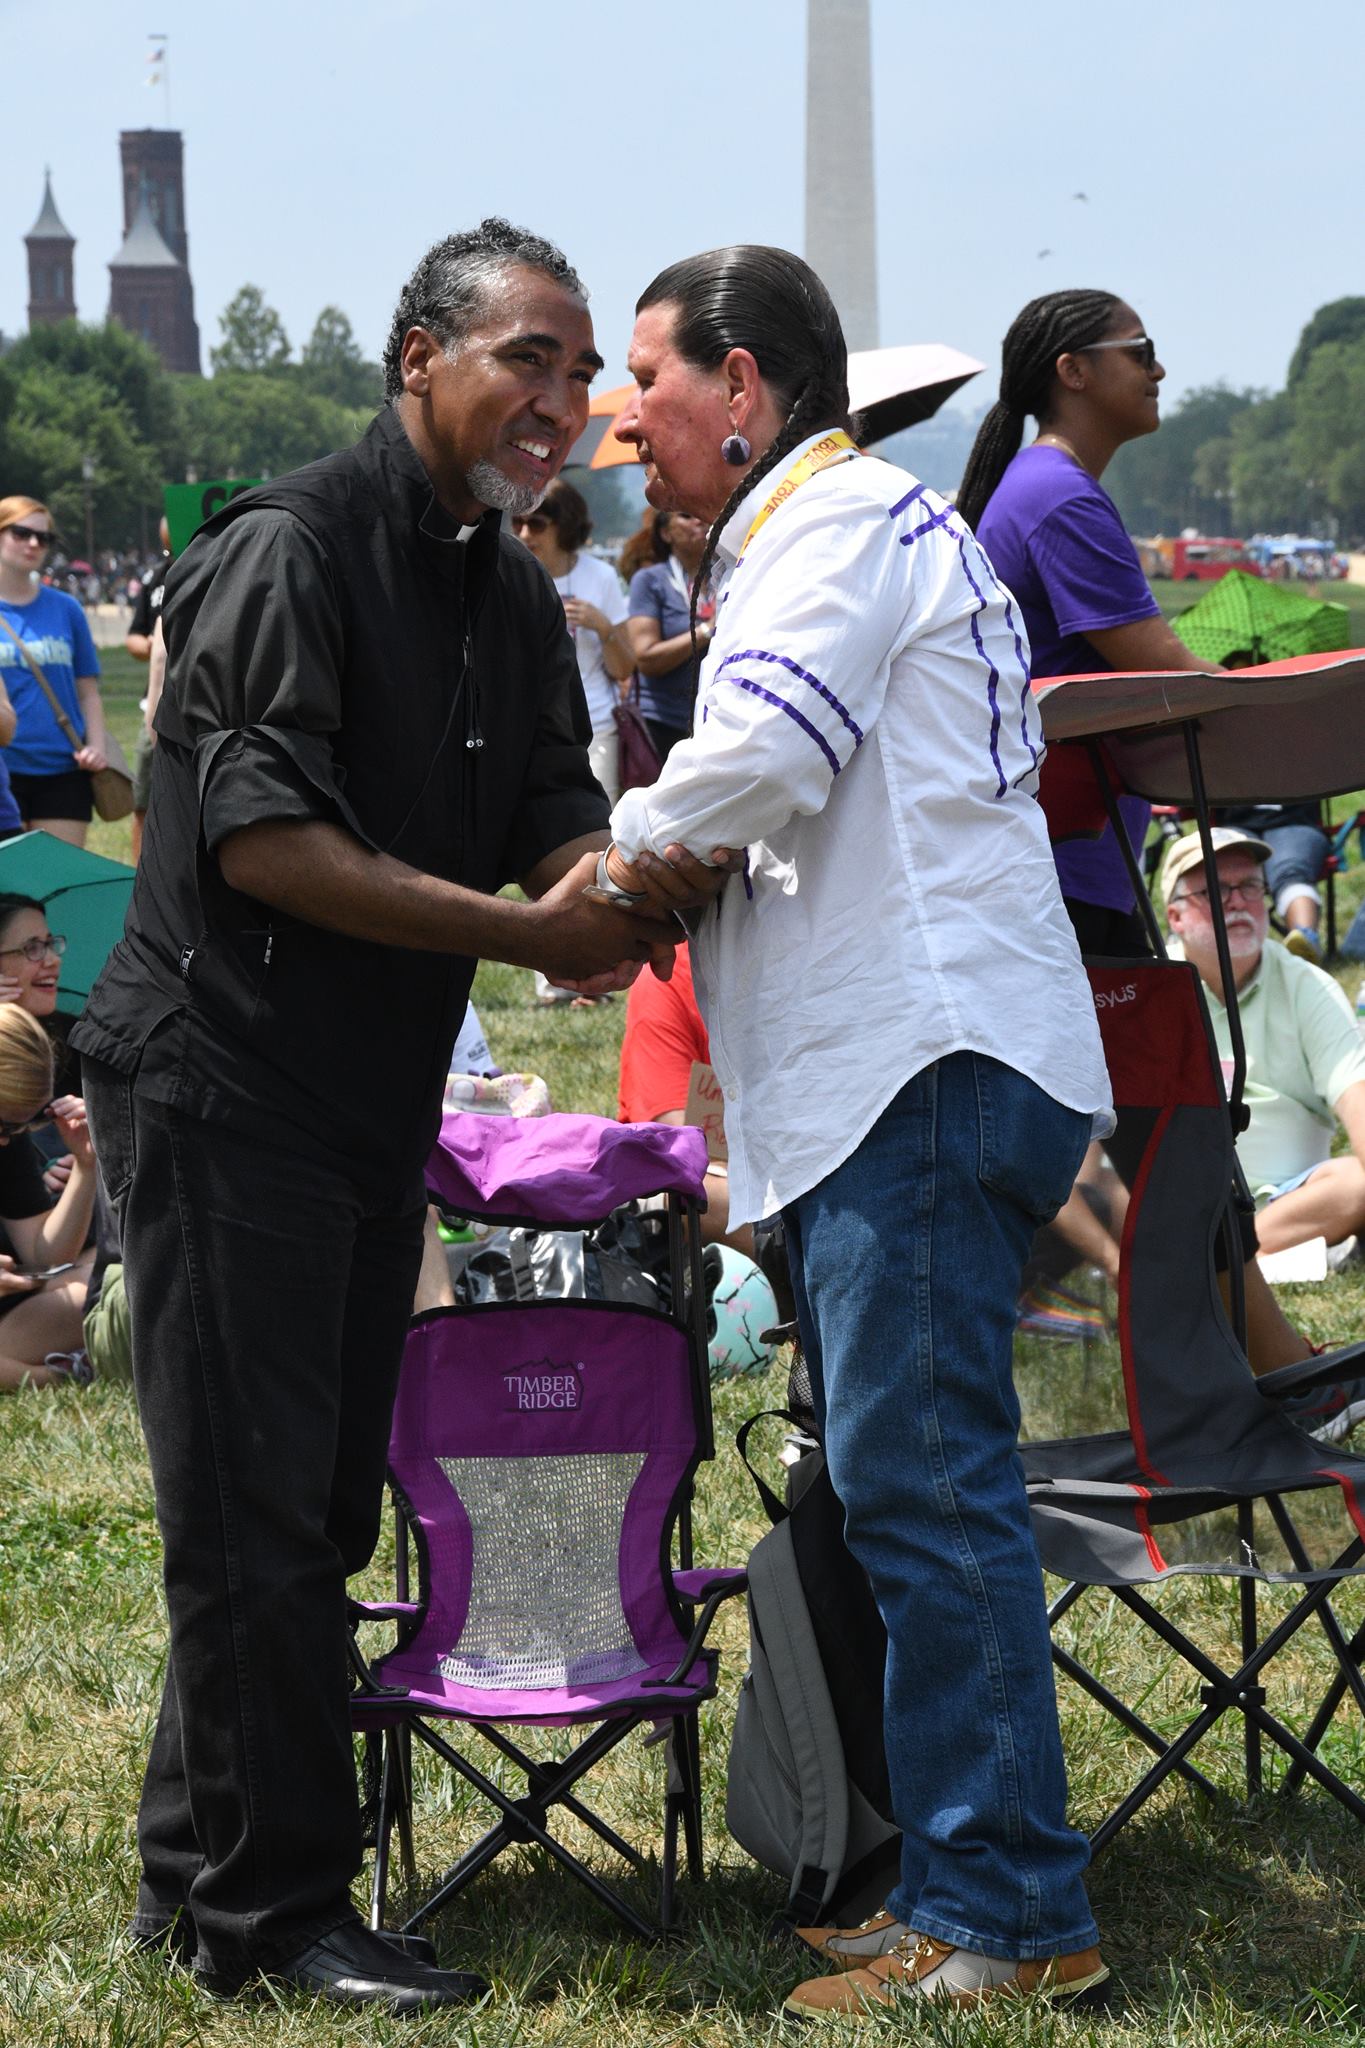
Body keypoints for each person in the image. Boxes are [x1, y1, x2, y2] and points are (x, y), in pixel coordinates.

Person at [70, 218, 721, 2018]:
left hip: (363, 1101)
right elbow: (261, 840)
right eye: (527, 356)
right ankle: (272, 1919)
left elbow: (547, 817)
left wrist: (641, 873)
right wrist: (530, 933)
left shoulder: (504, 588)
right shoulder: (281, 552)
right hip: (219, 1083)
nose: (561, 400)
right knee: (258, 1512)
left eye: (583, 370)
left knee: (314, 1503)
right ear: (417, 357)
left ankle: (192, 1868)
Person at [603, 244, 1114, 2017]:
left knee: (928, 1491)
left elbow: (758, 764)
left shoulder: (828, 534)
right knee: (911, 1489)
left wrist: (601, 864)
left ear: (744, 388)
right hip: (914, 1065)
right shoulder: (841, 530)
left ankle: (1008, 1916)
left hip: (922, 1063)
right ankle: (960, 1884)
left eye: (651, 387)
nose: (628, 426)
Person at [1162, 828, 1365, 1431]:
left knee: (1354, 1183)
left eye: (1250, 885)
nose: (1237, 901)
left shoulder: (1308, 986)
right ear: (1174, 915)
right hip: (1193, 1202)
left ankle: (1208, 1266)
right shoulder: (1156, 992)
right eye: (1214, 890)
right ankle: (1218, 1258)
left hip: (1295, 1193)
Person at [617, 941, 752, 1254]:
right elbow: (679, 1142)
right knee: (691, 1194)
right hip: (710, 1176)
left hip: (793, 1166)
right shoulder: (667, 979)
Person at [511, 478, 632, 802]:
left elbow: (624, 669)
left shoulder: (600, 576)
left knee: (599, 823)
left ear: (563, 526)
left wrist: (602, 626)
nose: (524, 534)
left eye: (536, 524)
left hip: (594, 726)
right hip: (524, 728)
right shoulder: (508, 576)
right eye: (517, 522)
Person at [0, 496, 108, 847]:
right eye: (21, 533)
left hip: (63, 770)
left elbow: (87, 690)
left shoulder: (67, 609)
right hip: (4, 770)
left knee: (57, 887)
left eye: (43, 538)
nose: (34, 544)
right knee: (10, 896)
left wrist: (96, 745)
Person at [0, 1002, 97, 1390]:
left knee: (121, 1279)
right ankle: (60, 1373)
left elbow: (46, 1254)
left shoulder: (9, 1141)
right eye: (5, 1122)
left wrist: (87, 1165)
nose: (7, 1138)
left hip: (18, 1307)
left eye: (25, 1123)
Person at [623, 505, 713, 761]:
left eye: (703, 514)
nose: (699, 521)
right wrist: (707, 629)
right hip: (661, 722)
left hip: (713, 721)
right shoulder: (650, 580)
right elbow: (646, 658)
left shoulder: (727, 576)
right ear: (665, 534)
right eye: (686, 515)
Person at [125, 518, 174, 864]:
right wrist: (152, 644)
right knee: (144, 799)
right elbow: (133, 637)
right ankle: (140, 876)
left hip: (205, 702)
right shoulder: (156, 577)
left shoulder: (222, 560)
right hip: (154, 703)